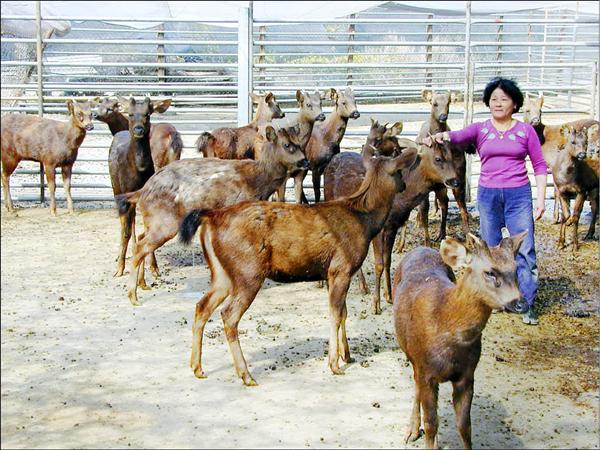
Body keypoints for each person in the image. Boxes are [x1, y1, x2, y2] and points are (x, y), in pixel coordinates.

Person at [423, 77, 547, 325]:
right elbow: (454, 135)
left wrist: (541, 198)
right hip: (488, 195)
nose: (498, 103)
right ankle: (496, 299)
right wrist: (435, 138)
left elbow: (539, 165)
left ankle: (528, 303)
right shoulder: (481, 129)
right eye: (493, 99)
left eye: (504, 99)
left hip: (518, 195)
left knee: (525, 250)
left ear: (515, 103)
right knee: (488, 251)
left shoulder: (525, 131)